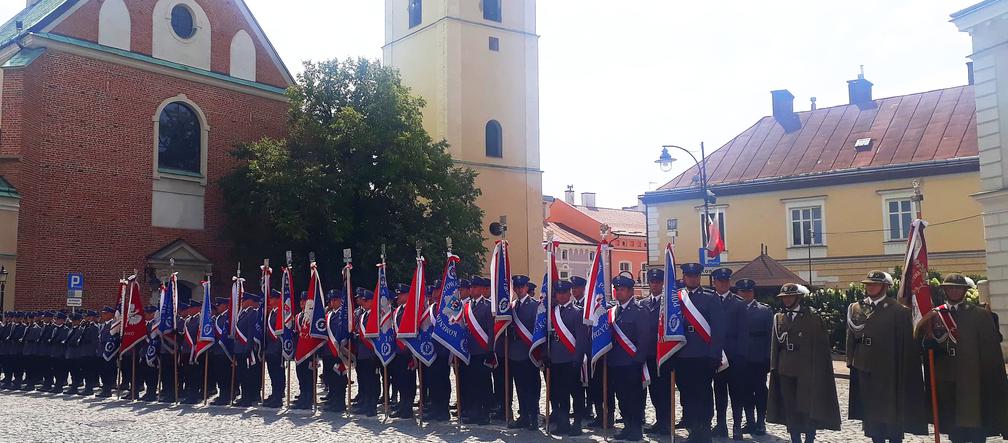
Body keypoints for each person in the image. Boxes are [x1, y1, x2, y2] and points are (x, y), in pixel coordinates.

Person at [917, 273, 1008, 442]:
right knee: (954, 425)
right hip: (946, 376)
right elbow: (919, 342)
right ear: (944, 291)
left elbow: (990, 351)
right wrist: (927, 345)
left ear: (965, 291)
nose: (954, 291)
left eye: (958, 288)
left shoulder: (979, 315)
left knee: (976, 421)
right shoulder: (934, 316)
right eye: (950, 288)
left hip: (973, 375)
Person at [846, 271, 927, 443]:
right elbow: (851, 335)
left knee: (890, 413)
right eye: (868, 284)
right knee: (871, 413)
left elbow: (906, 342)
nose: (870, 287)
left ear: (885, 287)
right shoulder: (856, 308)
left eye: (874, 284)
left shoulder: (898, 310)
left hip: (889, 367)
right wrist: (850, 359)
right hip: (864, 365)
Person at [767, 283, 841, 443]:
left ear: (798, 297)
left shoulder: (812, 317)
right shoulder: (779, 317)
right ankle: (795, 438)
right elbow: (775, 345)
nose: (786, 300)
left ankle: (809, 437)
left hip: (807, 368)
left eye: (790, 297)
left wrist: (819, 370)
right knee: (790, 406)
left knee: (807, 406)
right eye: (784, 297)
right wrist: (774, 367)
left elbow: (821, 347)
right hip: (786, 368)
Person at [675, 263, 725, 443]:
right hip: (682, 355)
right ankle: (693, 427)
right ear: (684, 278)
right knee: (687, 394)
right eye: (689, 276)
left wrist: (715, 354)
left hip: (703, 355)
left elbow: (719, 329)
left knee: (703, 394)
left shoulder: (711, 298)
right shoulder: (676, 298)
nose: (692, 279)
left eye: (695, 276)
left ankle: (704, 428)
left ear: (699, 278)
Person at [608, 273, 650, 442]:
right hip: (615, 362)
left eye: (622, 289)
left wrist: (638, 361)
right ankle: (627, 425)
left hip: (632, 362)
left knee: (634, 398)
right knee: (622, 397)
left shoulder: (639, 311)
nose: (619, 292)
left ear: (631, 291)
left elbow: (644, 338)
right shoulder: (613, 311)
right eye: (617, 289)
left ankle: (636, 428)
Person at [549, 280, 590, 436]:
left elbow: (581, 340)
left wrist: (577, 360)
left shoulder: (577, 312)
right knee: (560, 395)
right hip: (556, 360)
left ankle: (577, 423)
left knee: (577, 394)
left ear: (569, 293)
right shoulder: (552, 313)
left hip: (571, 360)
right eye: (558, 293)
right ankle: (563, 423)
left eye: (563, 293)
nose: (560, 296)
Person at [710, 268, 746, 440]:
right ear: (714, 283)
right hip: (716, 356)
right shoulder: (709, 301)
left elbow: (743, 332)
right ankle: (721, 425)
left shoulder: (739, 303)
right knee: (719, 394)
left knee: (736, 394)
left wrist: (740, 355)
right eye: (719, 281)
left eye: (726, 281)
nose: (723, 284)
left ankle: (737, 426)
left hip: (734, 357)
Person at [734, 278, 772, 436]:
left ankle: (761, 422)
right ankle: (749, 421)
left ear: (753, 292)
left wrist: (769, 358)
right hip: (740, 358)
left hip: (758, 359)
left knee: (760, 391)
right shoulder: (733, 310)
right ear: (738, 293)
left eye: (749, 291)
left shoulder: (764, 310)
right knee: (744, 391)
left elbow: (771, 336)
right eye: (743, 292)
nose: (746, 294)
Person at [508, 274, 540, 430]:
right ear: (514, 288)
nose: (520, 289)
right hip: (515, 352)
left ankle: (534, 416)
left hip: (529, 353)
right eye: (517, 287)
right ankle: (524, 416)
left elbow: (538, 330)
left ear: (527, 288)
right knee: (519, 386)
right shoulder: (511, 306)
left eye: (522, 287)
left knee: (531, 387)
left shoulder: (535, 305)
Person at [639, 268, 669, 435]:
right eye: (652, 281)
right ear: (649, 283)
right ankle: (660, 420)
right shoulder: (642, 304)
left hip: (663, 354)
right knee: (652, 391)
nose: (655, 284)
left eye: (658, 281)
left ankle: (666, 422)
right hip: (647, 354)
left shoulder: (669, 304)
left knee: (663, 390)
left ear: (663, 283)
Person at [462, 276, 493, 425]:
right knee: (471, 383)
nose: (472, 290)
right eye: (471, 287)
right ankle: (474, 411)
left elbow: (491, 330)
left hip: (482, 350)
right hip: (469, 351)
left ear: (482, 289)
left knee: (483, 384)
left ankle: (485, 413)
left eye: (475, 287)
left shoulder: (488, 306)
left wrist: (490, 349)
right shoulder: (466, 306)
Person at [390, 284, 416, 419]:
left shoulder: (412, 310)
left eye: (401, 294)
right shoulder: (397, 311)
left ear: (407, 295)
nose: (398, 297)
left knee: (408, 381)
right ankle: (402, 405)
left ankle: (408, 407)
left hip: (408, 351)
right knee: (399, 380)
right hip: (398, 351)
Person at [353, 288, 379, 416]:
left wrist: (359, 336)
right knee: (364, 380)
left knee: (372, 381)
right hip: (362, 353)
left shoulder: (375, 315)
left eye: (365, 301)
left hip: (371, 353)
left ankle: (372, 406)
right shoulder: (364, 315)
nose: (362, 303)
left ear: (371, 301)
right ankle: (366, 403)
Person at [263, 290, 286, 408]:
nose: (270, 301)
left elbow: (281, 333)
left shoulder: (281, 313)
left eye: (272, 298)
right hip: (270, 349)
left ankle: (278, 397)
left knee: (278, 374)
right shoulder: (272, 313)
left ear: (278, 299)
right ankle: (274, 394)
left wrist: (277, 349)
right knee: (272, 374)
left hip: (277, 349)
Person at [95, 306, 118, 398]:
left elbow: (112, 339)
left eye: (105, 313)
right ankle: (105, 388)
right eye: (103, 313)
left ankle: (107, 390)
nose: (103, 315)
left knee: (108, 372)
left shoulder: (114, 325)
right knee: (102, 371)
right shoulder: (103, 325)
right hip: (101, 352)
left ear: (112, 314)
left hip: (108, 353)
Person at [48, 312, 71, 393]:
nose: (56, 320)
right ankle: (56, 385)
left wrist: (59, 341)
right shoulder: (55, 329)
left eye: (58, 319)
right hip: (54, 352)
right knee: (55, 370)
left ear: (63, 320)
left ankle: (59, 386)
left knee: (60, 371)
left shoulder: (66, 329)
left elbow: (64, 340)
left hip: (61, 353)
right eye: (56, 319)